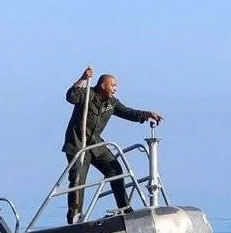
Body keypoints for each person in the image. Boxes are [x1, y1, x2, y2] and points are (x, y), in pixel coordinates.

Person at [62, 67, 163, 224]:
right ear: (103, 85)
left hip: (95, 143)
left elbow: (128, 112)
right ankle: (75, 217)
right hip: (78, 144)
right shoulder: (87, 94)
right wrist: (82, 78)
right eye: (113, 85)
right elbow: (71, 96)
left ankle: (124, 208)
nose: (115, 89)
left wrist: (146, 114)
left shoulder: (112, 103)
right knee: (78, 179)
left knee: (115, 169)